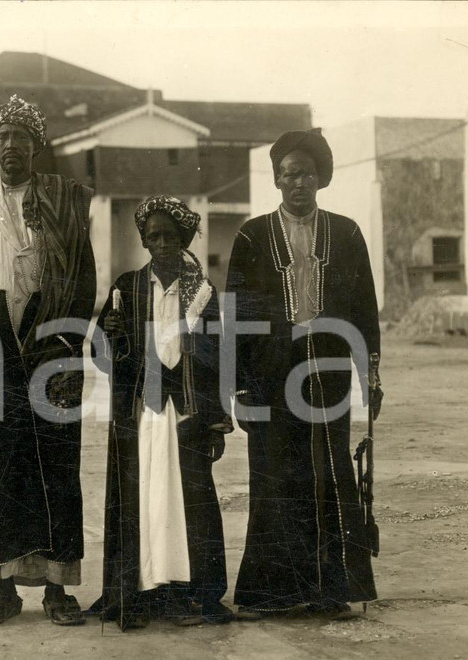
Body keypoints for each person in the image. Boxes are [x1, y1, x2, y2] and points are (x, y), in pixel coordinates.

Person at [0, 95, 96, 627]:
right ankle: (3, 589)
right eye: (2, 137)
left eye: (21, 138)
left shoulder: (64, 197)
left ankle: (57, 589)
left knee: (56, 462)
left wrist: (69, 347)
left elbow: (83, 279)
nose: (11, 147)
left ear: (36, 145)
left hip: (53, 348)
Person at [226, 128, 383, 619]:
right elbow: (236, 315)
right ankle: (269, 596)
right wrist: (240, 385)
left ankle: (331, 593)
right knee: (274, 477)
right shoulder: (251, 235)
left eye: (307, 174)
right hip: (272, 374)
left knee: (329, 474)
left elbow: (364, 309)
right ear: (276, 179)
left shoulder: (348, 232)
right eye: (289, 174)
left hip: (329, 370)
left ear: (320, 179)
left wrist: (370, 374)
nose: (298, 183)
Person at [89, 196, 240, 630]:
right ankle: (143, 591)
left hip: (187, 415)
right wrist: (109, 334)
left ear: (184, 239)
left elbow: (219, 358)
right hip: (143, 416)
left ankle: (194, 594)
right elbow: (102, 355)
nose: (161, 244)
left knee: (188, 503)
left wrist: (216, 420)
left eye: (170, 236)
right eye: (152, 236)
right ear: (143, 240)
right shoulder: (127, 287)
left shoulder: (202, 293)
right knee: (145, 501)